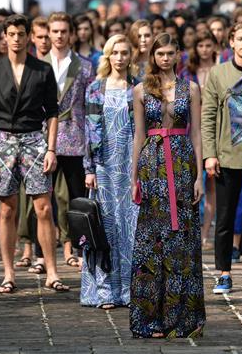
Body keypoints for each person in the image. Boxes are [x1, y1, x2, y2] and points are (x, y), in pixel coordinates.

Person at [0, 14, 68, 294]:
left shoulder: (42, 70)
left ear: (28, 36)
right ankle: (8, 274)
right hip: (4, 141)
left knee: (44, 208)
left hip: (35, 139)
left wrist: (52, 148)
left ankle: (52, 271)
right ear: (4, 37)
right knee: (7, 209)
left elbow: (52, 112)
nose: (16, 39)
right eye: (12, 34)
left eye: (21, 33)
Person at [129, 33, 205, 338]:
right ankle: (150, 319)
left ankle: (184, 317)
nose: (164, 58)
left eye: (170, 53)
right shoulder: (140, 90)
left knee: (182, 240)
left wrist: (200, 175)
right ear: (152, 56)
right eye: (159, 53)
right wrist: (133, 175)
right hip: (152, 165)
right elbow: (139, 135)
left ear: (177, 56)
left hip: (183, 164)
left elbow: (197, 133)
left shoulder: (192, 88)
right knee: (152, 241)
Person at [201, 20, 242, 294]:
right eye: (241, 38)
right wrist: (209, 154)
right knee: (224, 219)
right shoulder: (218, 74)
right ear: (231, 42)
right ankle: (224, 272)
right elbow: (208, 116)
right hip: (226, 156)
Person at [81, 34, 137, 308]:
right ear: (107, 55)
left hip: (130, 166)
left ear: (131, 56)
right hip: (103, 167)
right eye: (115, 52)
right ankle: (104, 291)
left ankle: (128, 290)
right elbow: (88, 131)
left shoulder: (138, 88)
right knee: (104, 227)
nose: (120, 57)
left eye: (125, 52)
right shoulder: (95, 88)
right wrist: (89, 168)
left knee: (131, 227)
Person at [42, 12, 93, 268]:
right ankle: (44, 253)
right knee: (43, 199)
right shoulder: (38, 64)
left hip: (76, 136)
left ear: (71, 33)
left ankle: (80, 248)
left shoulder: (85, 65)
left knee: (78, 198)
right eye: (55, 31)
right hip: (44, 138)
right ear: (48, 33)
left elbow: (91, 104)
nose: (60, 35)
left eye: (64, 31)